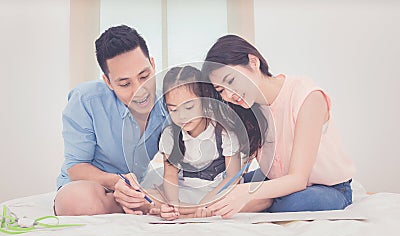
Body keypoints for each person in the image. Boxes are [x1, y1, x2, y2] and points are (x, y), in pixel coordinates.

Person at [202, 35, 355, 218]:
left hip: (328, 188)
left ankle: (264, 200)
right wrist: (191, 209)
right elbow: (234, 175)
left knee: (296, 203)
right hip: (274, 179)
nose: (229, 94)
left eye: (231, 81)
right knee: (224, 190)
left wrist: (248, 193)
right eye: (221, 91)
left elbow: (298, 179)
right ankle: (261, 199)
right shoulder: (248, 109)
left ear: (253, 62)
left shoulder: (307, 96)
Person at [54, 25, 167, 216]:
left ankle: (131, 203)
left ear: (153, 65)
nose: (140, 90)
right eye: (125, 83)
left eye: (145, 76)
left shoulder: (169, 102)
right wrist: (117, 182)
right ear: (108, 82)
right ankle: (134, 205)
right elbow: (76, 167)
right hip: (92, 186)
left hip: (136, 189)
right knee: (75, 202)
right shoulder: (86, 99)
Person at [157, 66, 243, 220]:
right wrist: (174, 204)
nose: (182, 116)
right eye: (174, 110)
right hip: (185, 192)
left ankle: (195, 212)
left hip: (218, 192)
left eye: (189, 107)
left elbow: (233, 177)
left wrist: (206, 203)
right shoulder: (170, 135)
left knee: (255, 200)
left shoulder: (223, 132)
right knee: (150, 197)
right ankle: (188, 212)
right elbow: (170, 176)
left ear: (205, 101)